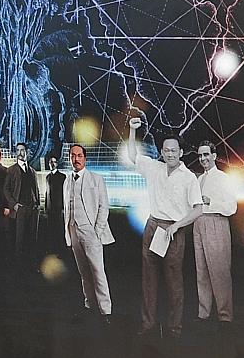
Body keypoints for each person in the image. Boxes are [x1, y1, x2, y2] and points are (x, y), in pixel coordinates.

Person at [121, 119, 204, 337]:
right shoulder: (154, 168)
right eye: (166, 150)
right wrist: (131, 130)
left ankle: (174, 327)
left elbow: (198, 209)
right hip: (152, 227)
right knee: (149, 279)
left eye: (174, 150)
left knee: (174, 281)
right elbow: (132, 155)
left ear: (181, 152)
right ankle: (148, 325)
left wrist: (177, 225)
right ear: (161, 152)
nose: (170, 154)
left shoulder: (189, 178)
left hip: (174, 232)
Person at [64, 144, 113, 323]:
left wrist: (97, 231)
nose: (76, 159)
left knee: (98, 271)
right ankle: (90, 305)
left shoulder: (96, 179)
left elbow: (103, 206)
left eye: (79, 156)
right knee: (84, 272)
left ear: (85, 158)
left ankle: (106, 311)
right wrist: (69, 232)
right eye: (73, 156)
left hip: (91, 231)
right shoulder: (67, 180)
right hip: (73, 230)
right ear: (70, 158)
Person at [194, 141, 238, 326]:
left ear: (213, 155)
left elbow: (232, 207)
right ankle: (203, 313)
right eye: (200, 155)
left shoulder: (223, 178)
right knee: (201, 271)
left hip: (216, 222)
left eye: (206, 155)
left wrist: (211, 201)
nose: (203, 158)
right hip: (199, 223)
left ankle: (225, 315)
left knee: (219, 271)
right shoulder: (199, 179)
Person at [2, 143, 41, 264]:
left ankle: (31, 262)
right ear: (15, 153)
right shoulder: (11, 170)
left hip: (33, 208)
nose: (20, 152)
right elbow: (6, 189)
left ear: (26, 152)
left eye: (22, 150)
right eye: (18, 150)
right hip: (20, 209)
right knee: (19, 237)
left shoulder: (32, 171)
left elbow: (36, 189)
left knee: (32, 236)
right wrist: (14, 204)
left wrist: (38, 204)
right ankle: (19, 264)